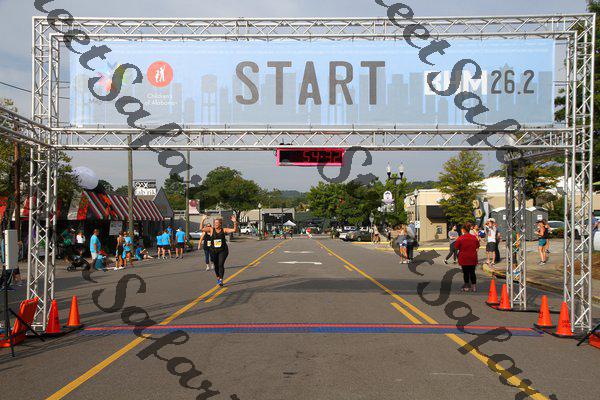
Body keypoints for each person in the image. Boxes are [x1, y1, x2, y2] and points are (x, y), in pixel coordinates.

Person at [201, 214, 238, 287]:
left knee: (221, 264)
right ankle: (218, 277)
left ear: (220, 224)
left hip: (223, 250)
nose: (215, 224)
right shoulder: (211, 229)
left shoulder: (224, 230)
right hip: (213, 251)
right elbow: (202, 228)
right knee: (216, 265)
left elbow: (234, 230)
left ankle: (221, 279)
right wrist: (202, 220)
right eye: (214, 223)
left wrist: (234, 222)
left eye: (217, 223)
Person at [454, 222, 480, 292]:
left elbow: (456, 247)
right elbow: (477, 246)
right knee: (472, 272)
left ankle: (467, 287)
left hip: (464, 258)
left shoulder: (460, 238)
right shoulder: (474, 237)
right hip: (473, 257)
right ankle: (474, 287)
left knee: (465, 273)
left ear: (463, 230)